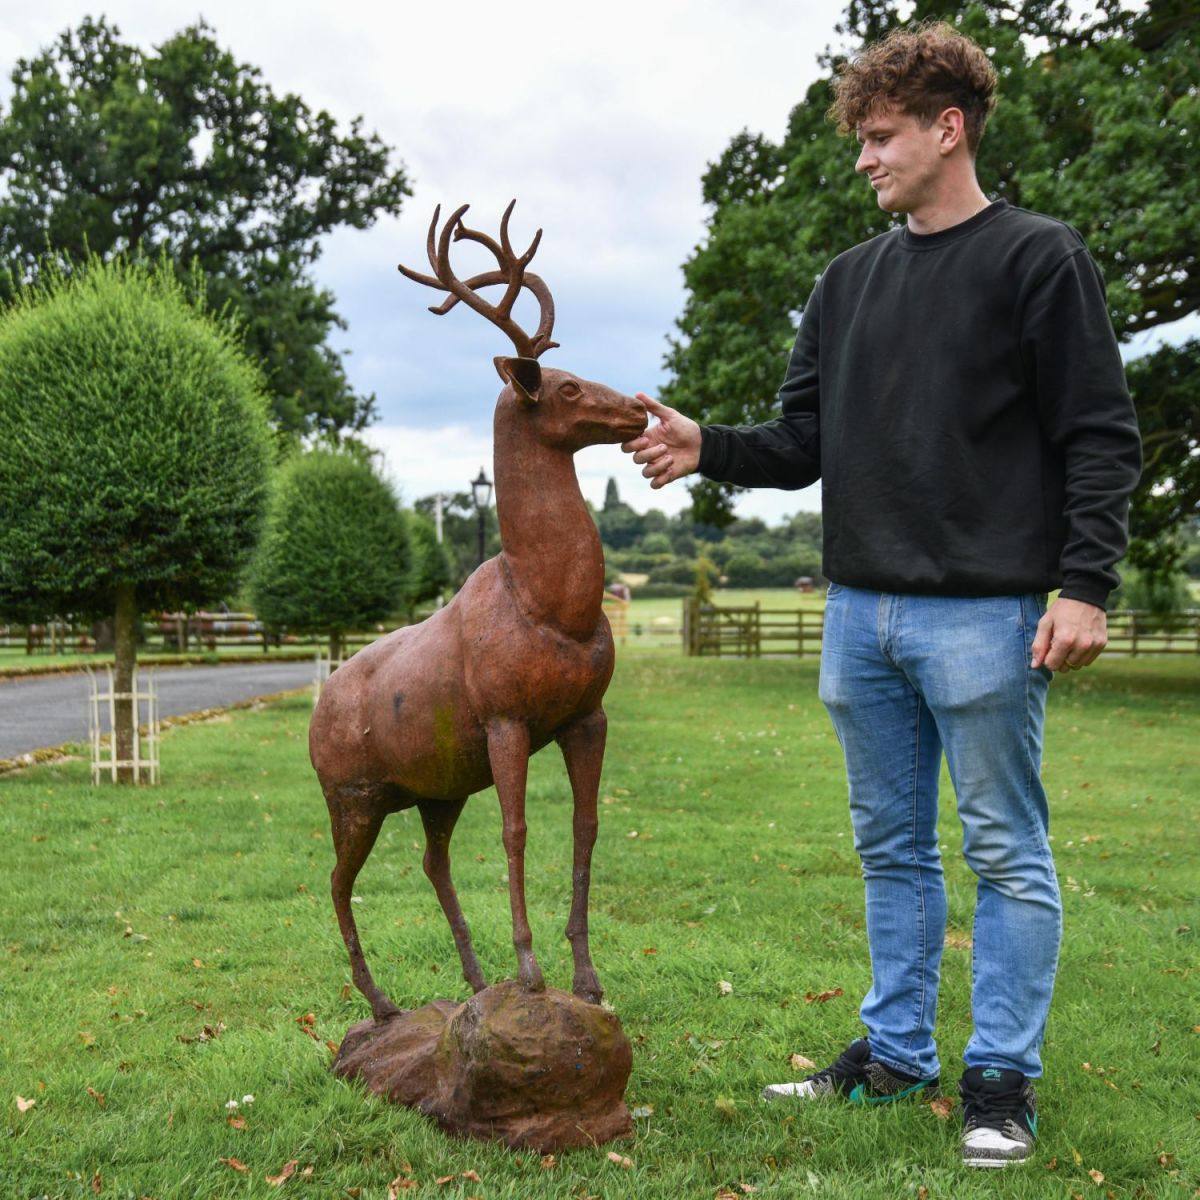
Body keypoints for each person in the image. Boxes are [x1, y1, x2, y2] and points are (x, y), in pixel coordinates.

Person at [623, 22, 1141, 1169]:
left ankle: (1000, 1082)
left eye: (880, 136)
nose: (863, 159)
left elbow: (1100, 434)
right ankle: (897, 1055)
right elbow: (802, 441)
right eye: (859, 139)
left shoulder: (1039, 260)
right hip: (859, 615)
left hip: (988, 616)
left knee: (1005, 851)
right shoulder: (845, 283)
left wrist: (1085, 586)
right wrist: (707, 446)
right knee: (891, 850)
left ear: (948, 129)